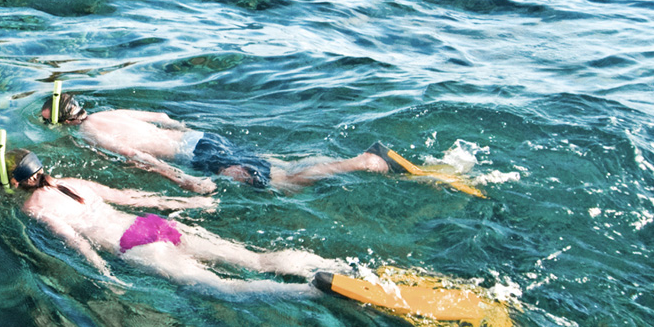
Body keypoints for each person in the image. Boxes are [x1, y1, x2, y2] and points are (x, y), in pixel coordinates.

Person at [2, 148, 340, 300]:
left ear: (14, 183)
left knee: (222, 287)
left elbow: (73, 240)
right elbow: (133, 197)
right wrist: (189, 202)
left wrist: (101, 272)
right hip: (151, 225)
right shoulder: (75, 182)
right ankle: (329, 266)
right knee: (256, 260)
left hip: (132, 246)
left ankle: (308, 292)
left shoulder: (33, 207)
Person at [38, 92, 396, 194]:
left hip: (194, 156)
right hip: (202, 138)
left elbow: (137, 156)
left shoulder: (89, 134)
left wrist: (183, 180)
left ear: (62, 122)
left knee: (282, 185)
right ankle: (347, 162)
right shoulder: (110, 112)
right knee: (280, 167)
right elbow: (163, 119)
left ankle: (363, 162)